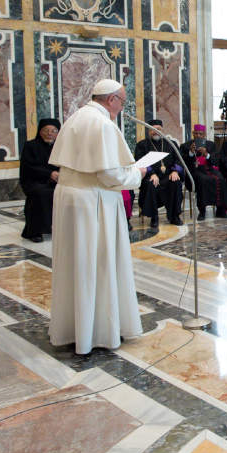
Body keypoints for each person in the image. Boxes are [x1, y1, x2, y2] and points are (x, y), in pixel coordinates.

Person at [48, 79, 148, 354]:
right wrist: (136, 174)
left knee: (75, 264)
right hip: (92, 202)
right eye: (123, 101)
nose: (123, 107)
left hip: (70, 197)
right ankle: (98, 332)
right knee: (97, 262)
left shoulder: (77, 116)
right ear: (112, 99)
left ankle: (74, 328)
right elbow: (109, 174)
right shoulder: (103, 123)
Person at [135, 119, 185, 228]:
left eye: (158, 129)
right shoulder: (142, 145)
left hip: (167, 175)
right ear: (148, 131)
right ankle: (154, 217)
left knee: (175, 182)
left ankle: (174, 216)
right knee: (149, 183)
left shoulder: (171, 144)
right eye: (152, 129)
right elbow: (141, 162)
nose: (155, 131)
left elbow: (178, 159)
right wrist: (151, 174)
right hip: (151, 175)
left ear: (163, 130)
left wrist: (175, 171)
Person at [20, 118, 61, 242]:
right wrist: (49, 174)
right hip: (36, 181)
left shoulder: (61, 147)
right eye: (46, 130)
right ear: (40, 131)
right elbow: (29, 167)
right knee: (40, 193)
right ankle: (36, 232)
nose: (50, 134)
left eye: (54, 131)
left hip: (59, 181)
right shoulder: (30, 146)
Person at [182, 123, 227, 220]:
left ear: (204, 134)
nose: (198, 136)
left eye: (200, 134)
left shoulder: (211, 145)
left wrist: (206, 154)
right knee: (202, 180)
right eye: (196, 134)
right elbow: (183, 162)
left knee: (220, 179)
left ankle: (220, 210)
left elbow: (216, 161)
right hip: (194, 170)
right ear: (193, 133)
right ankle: (202, 211)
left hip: (210, 169)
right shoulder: (185, 146)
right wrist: (191, 152)